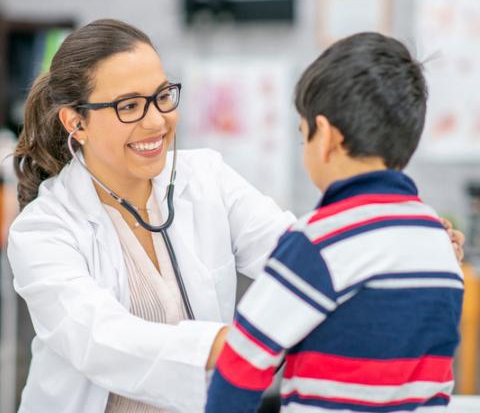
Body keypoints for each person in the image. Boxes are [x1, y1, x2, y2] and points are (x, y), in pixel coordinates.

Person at [7, 21, 463, 413]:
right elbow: (99, 338)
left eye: (163, 96)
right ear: (75, 122)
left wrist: (395, 244)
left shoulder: (206, 177)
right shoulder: (44, 229)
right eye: (129, 106)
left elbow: (294, 249)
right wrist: (246, 341)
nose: (156, 121)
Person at [206, 32, 465, 413]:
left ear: (324, 136)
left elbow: (243, 361)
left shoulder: (315, 241)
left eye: (303, 136)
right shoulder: (440, 243)